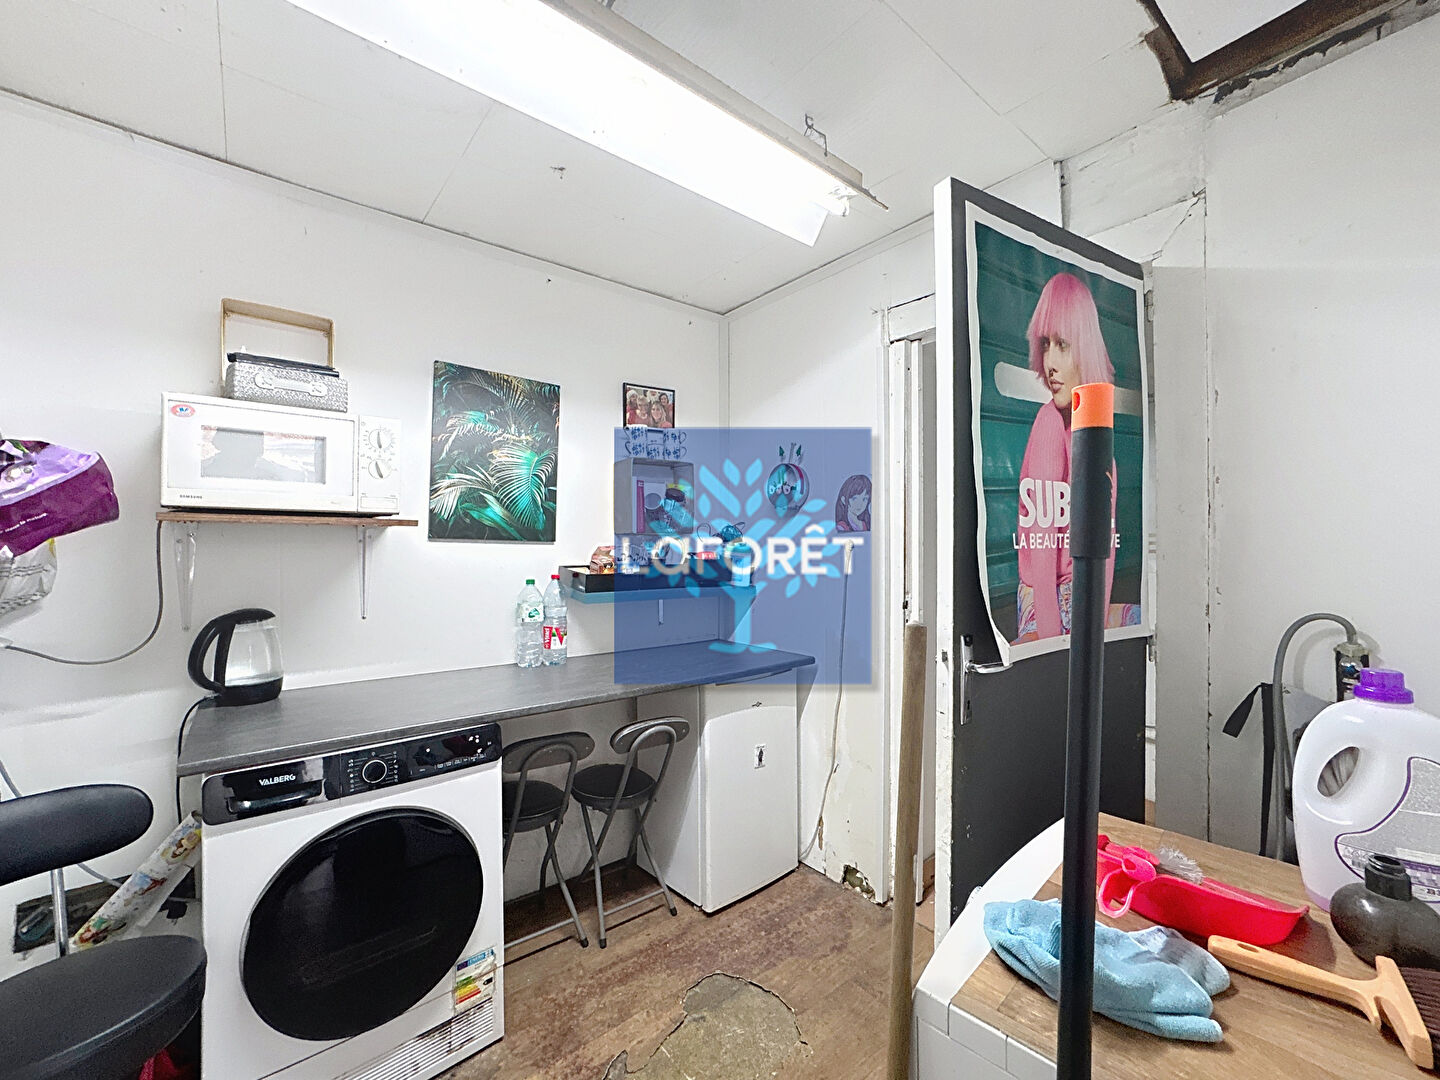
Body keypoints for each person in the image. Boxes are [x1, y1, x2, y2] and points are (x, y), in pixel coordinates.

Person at [1014, 272, 1117, 644]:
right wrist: (1050, 641)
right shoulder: (1049, 424)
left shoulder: (1092, 429)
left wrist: (1097, 623)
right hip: (1048, 600)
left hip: (1083, 593)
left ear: (1085, 348)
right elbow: (1042, 549)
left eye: (1062, 345)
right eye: (1045, 345)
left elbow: (1106, 540)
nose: (1050, 364)